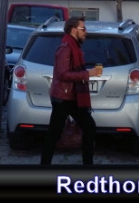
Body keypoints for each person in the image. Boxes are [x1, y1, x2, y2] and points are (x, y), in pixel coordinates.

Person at [40, 17, 102, 165]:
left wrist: (86, 74)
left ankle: (88, 163)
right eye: (83, 29)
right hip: (63, 97)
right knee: (54, 133)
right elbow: (63, 74)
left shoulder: (75, 47)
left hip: (74, 96)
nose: (86, 32)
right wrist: (87, 74)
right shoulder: (66, 48)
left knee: (89, 127)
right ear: (74, 30)